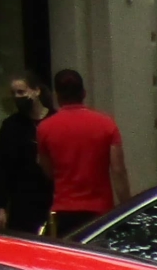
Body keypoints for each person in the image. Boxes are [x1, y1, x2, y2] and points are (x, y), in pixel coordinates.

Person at [35, 68, 127, 237]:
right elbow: (118, 170)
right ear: (83, 93)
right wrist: (126, 208)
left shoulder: (44, 128)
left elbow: (47, 169)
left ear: (57, 95)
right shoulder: (106, 124)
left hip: (63, 211)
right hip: (100, 211)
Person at [0, 77, 52, 235]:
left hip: (51, 197)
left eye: (21, 92)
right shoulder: (11, 125)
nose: (17, 97)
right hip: (22, 201)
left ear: (36, 91)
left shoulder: (53, 120)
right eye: (14, 93)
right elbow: (2, 167)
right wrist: (1, 207)